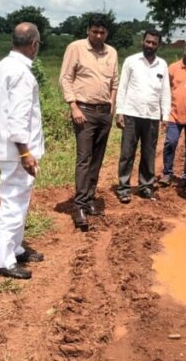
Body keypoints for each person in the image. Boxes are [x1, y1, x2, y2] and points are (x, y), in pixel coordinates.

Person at [0, 23, 46, 280]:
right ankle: (3, 259)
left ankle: (16, 247)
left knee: (19, 200)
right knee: (13, 201)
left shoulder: (0, 67)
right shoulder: (22, 73)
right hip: (16, 150)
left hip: (5, 146)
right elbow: (19, 117)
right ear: (33, 45)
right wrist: (25, 152)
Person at [60, 14, 118, 229]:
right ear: (88, 30)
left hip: (104, 112)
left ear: (107, 33)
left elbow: (115, 82)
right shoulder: (76, 48)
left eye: (102, 32)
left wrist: (112, 105)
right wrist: (73, 106)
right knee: (84, 158)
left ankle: (90, 198)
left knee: (97, 158)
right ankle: (80, 205)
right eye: (95, 31)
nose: (98, 35)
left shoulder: (111, 52)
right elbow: (65, 78)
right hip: (83, 111)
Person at [115, 29, 171, 202]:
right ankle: (124, 187)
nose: (150, 45)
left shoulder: (162, 64)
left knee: (149, 153)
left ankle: (146, 186)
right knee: (127, 152)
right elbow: (122, 87)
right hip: (131, 113)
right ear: (143, 41)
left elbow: (165, 92)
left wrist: (165, 116)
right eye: (148, 42)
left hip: (152, 116)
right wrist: (119, 111)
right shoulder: (131, 61)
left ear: (158, 45)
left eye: (154, 43)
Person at [160, 41, 186, 190]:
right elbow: (165, 89)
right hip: (174, 114)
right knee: (170, 142)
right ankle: (167, 173)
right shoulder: (173, 68)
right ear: (183, 51)